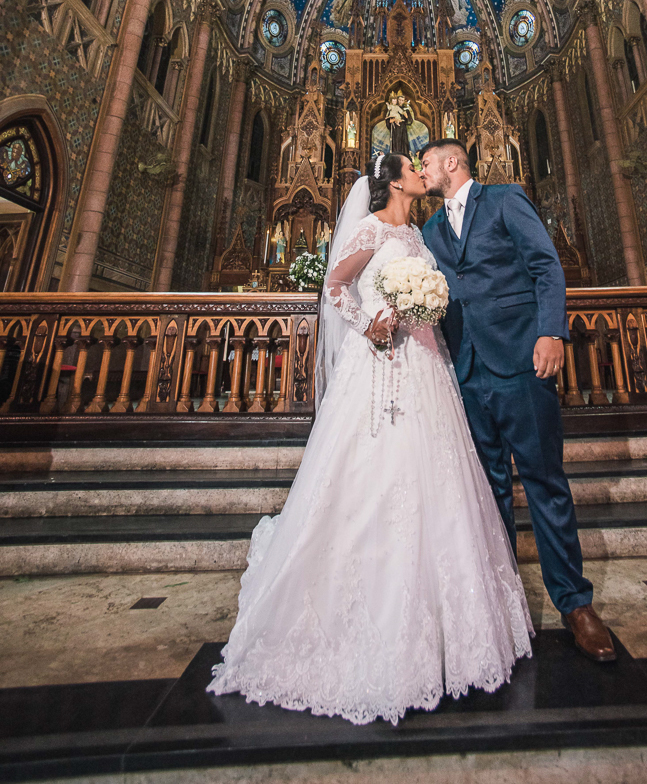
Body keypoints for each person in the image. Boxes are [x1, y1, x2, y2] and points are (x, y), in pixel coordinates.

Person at [208, 152, 533, 723]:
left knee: (440, 482)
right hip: (381, 363)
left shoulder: (419, 230)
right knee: (373, 478)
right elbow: (337, 286)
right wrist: (368, 323)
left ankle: (448, 631)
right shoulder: (370, 227)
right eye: (414, 168)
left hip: (429, 364)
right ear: (393, 181)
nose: (421, 175)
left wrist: (422, 305)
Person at [420, 139, 616, 664]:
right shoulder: (430, 231)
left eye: (427, 160)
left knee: (545, 482)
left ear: (452, 162)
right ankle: (503, 604)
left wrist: (551, 332)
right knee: (488, 495)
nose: (421, 168)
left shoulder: (505, 199)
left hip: (521, 362)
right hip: (465, 372)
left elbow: (546, 268)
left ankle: (576, 606)